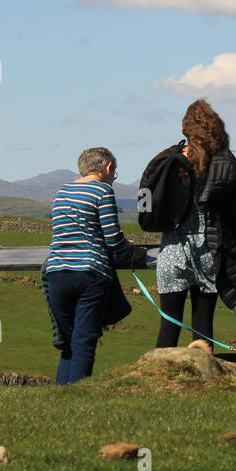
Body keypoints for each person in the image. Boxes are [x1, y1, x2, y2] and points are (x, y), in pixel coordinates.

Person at [155, 100, 236, 374]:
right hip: (208, 249)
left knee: (169, 323)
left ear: (185, 128)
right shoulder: (223, 162)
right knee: (202, 324)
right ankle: (203, 380)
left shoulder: (173, 159)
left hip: (172, 248)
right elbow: (232, 209)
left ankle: (157, 378)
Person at [43, 146, 138, 384]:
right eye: (114, 174)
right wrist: (133, 254)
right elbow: (113, 239)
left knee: (69, 342)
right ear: (107, 168)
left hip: (56, 272)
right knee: (85, 340)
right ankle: (77, 396)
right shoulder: (102, 191)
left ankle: (60, 396)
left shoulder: (62, 192)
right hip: (90, 273)